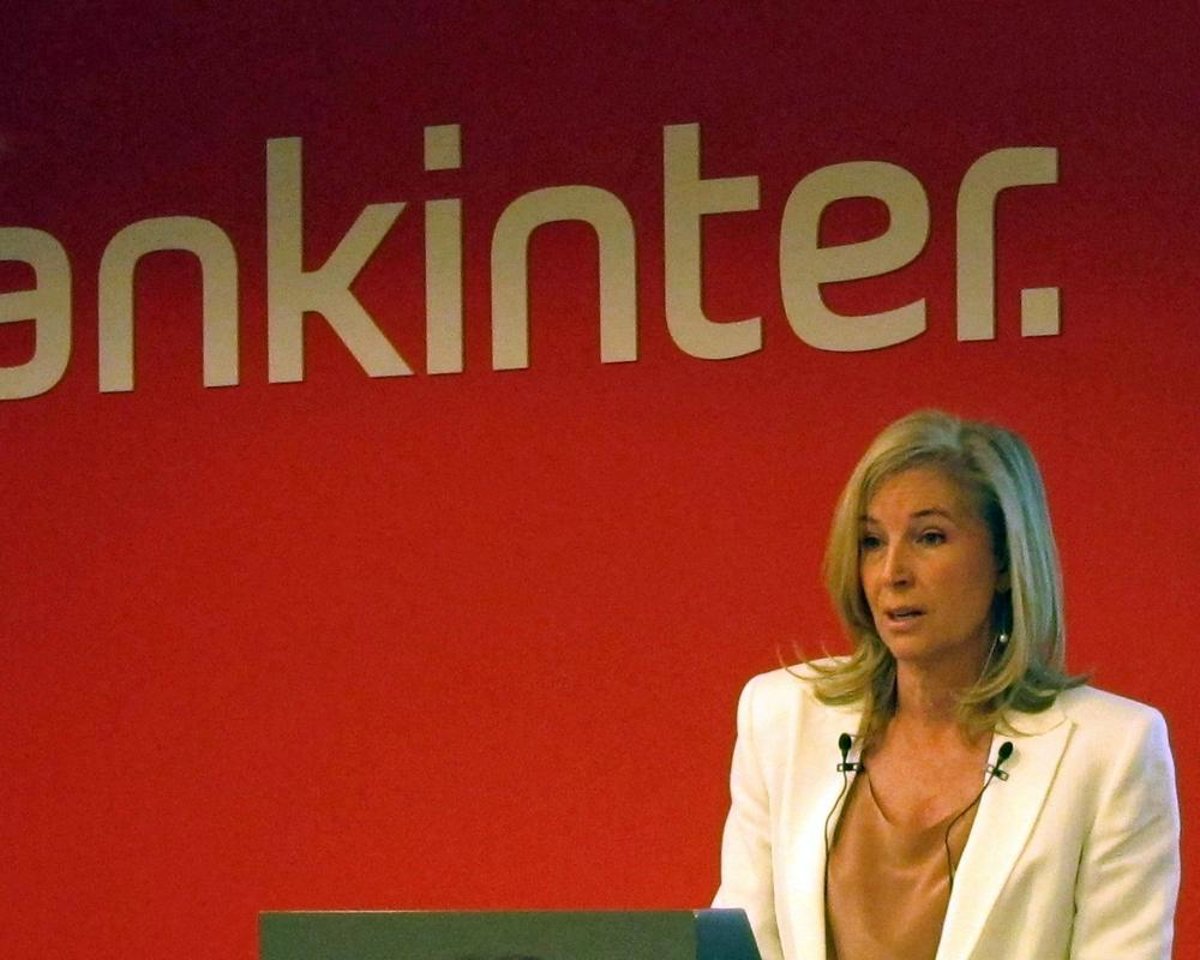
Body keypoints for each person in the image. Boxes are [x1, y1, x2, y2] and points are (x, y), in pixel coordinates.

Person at [712, 410, 1179, 960]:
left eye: (930, 537)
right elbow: (738, 944)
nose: (892, 573)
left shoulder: (1112, 749)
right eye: (871, 541)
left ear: (1004, 560)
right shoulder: (781, 717)